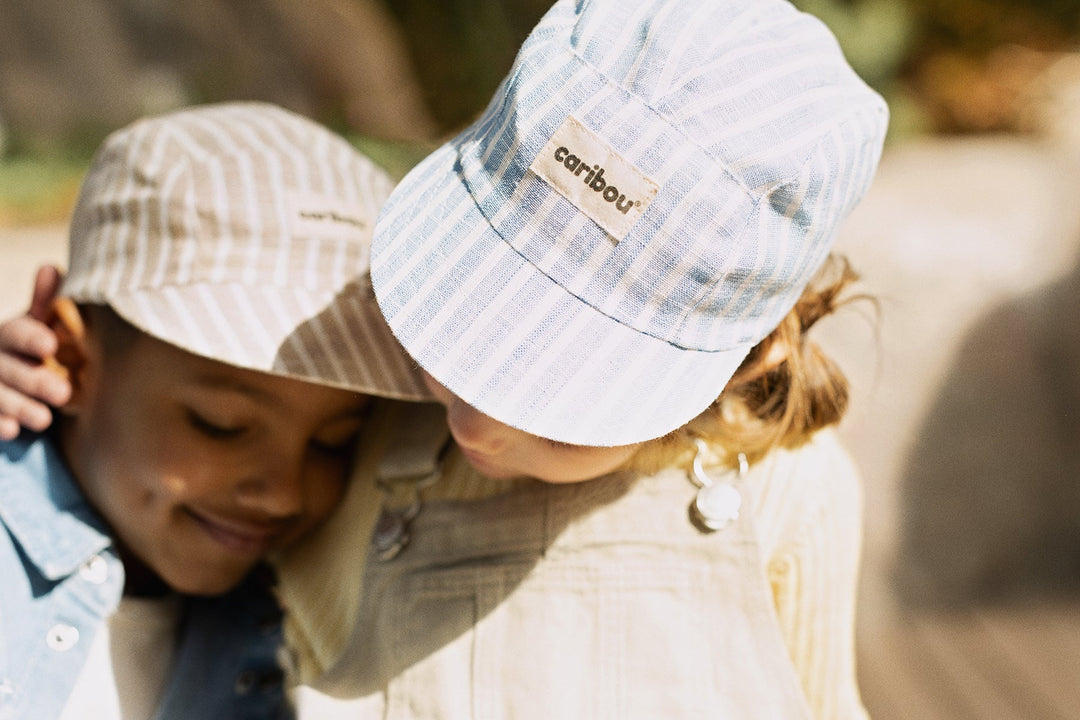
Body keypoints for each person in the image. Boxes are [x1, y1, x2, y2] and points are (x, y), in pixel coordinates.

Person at [1, 0, 887, 717]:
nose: (474, 421)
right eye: (462, 331)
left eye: (562, 395)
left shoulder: (794, 495)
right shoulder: (370, 445)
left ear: (741, 360)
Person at [0, 101, 429, 720]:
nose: (282, 494)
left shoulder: (282, 619)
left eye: (335, 441)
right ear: (68, 349)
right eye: (221, 425)